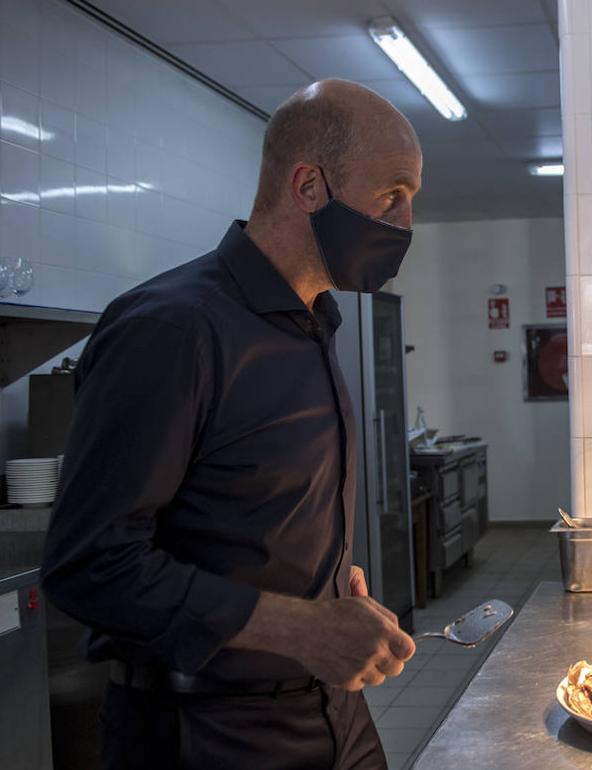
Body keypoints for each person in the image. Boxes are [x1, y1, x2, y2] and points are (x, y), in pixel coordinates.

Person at [41, 79, 422, 769]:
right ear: (309, 187)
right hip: (205, 731)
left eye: (412, 202)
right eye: (391, 196)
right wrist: (303, 626)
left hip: (334, 714)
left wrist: (333, 590)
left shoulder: (314, 325)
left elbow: (250, 520)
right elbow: (89, 566)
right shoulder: (173, 329)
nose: (404, 224)